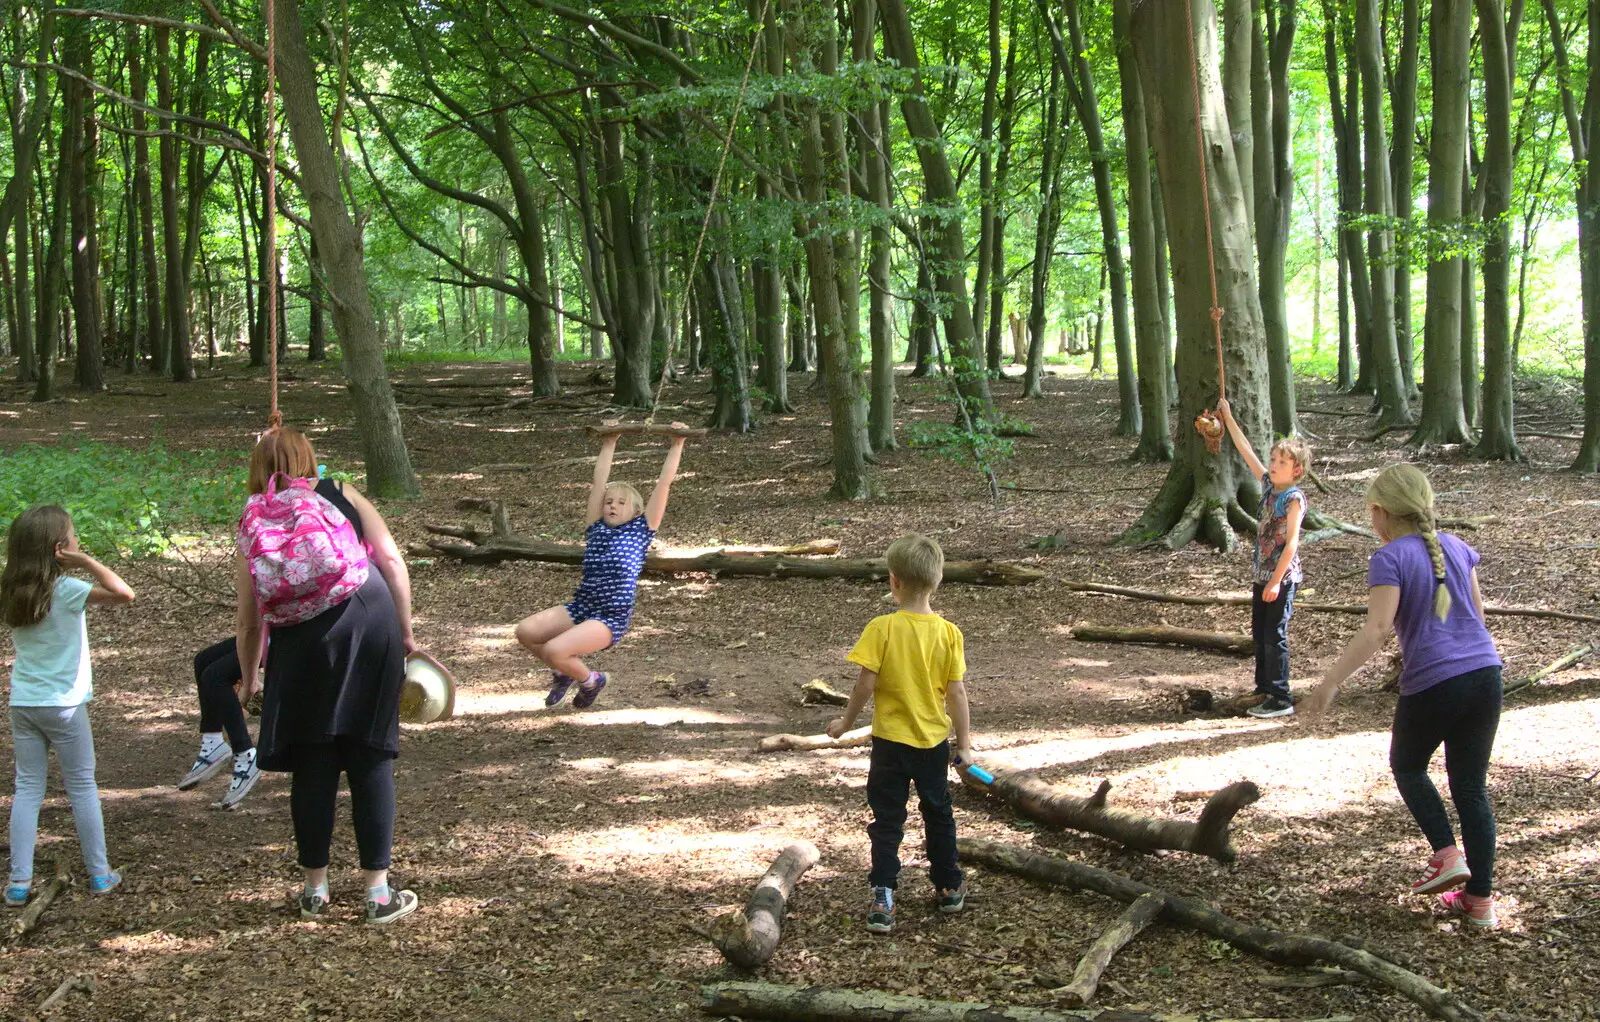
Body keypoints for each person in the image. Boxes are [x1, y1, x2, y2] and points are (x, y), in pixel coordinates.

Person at [1303, 464, 1503, 928]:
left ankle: (1446, 854)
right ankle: (1479, 902)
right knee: (1471, 787)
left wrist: (1331, 681)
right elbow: (1477, 614)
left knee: (1409, 766)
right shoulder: (1456, 547)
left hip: (1436, 681)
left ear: (1380, 513)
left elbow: (1376, 630)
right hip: (1485, 674)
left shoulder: (1389, 557)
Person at [235, 428, 419, 924]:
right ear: (308, 458)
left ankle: (315, 891)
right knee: (370, 753)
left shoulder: (254, 518)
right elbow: (393, 561)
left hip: (299, 642)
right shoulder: (339, 491)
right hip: (368, 616)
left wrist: (250, 676)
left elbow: (250, 617)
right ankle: (378, 896)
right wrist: (404, 632)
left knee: (314, 762)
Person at [826, 534, 974, 936]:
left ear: (893, 580)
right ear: (937, 580)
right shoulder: (949, 633)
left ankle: (883, 896)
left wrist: (844, 722)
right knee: (938, 814)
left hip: (890, 743)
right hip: (932, 743)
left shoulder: (882, 628)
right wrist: (964, 745)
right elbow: (957, 693)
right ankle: (947, 885)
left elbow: (864, 685)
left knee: (887, 820)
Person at [3, 506, 135, 907]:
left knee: (27, 789)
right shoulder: (67, 589)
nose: (78, 542)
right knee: (81, 787)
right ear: (61, 548)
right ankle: (99, 874)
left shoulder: (11, 589)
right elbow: (123, 593)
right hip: (63, 706)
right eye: (74, 537)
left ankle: (18, 883)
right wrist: (86, 562)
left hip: (23, 704)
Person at [514, 424, 688, 710]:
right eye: (609, 502)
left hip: (610, 616)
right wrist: (609, 443)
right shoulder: (595, 528)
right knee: (526, 632)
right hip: (582, 606)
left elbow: (663, 484)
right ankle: (564, 673)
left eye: (621, 503)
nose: (612, 506)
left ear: (636, 511)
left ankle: (592, 680)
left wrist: (677, 443)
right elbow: (598, 484)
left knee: (554, 649)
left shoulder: (641, 530)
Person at [1217, 398, 1309, 718]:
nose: (1272, 465)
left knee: (1275, 635)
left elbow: (1292, 542)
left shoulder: (1293, 498)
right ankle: (1264, 688)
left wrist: (1275, 580)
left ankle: (1281, 697)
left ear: (1296, 470)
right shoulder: (1269, 485)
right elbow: (1246, 452)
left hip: (1281, 577)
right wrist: (1228, 416)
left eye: (1281, 462)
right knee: (1260, 632)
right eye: (1272, 459)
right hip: (1262, 574)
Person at [176, 637, 261, 809]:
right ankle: (212, 741)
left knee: (215, 676)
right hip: (269, 630)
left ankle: (245, 753)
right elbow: (247, 624)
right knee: (203, 661)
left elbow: (250, 627)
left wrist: (250, 678)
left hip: (285, 633)